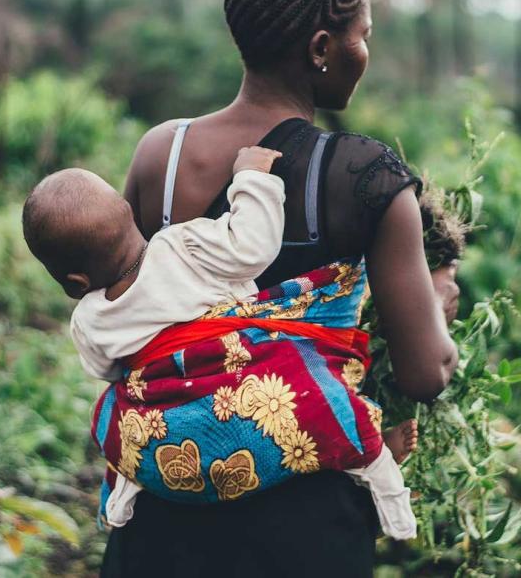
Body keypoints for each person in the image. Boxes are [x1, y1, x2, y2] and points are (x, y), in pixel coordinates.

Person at [104, 0, 459, 578]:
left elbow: (119, 309)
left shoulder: (163, 152)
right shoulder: (365, 176)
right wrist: (438, 297)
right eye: (364, 35)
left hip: (163, 510)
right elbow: (425, 374)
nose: (366, 52)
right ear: (322, 48)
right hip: (304, 530)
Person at [21, 146, 418, 538]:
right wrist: (251, 177)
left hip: (171, 437)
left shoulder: (89, 319)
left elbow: (109, 371)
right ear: (128, 213)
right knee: (316, 394)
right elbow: (253, 247)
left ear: (75, 283)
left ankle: (125, 489)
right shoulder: (182, 245)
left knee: (113, 411)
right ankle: (380, 473)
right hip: (245, 393)